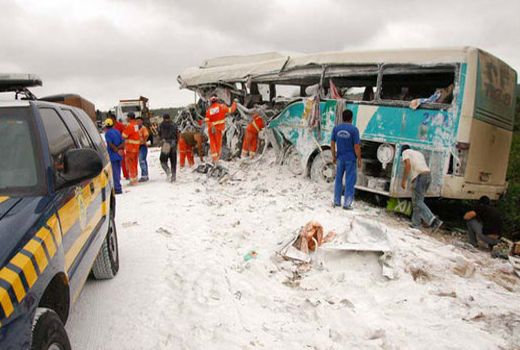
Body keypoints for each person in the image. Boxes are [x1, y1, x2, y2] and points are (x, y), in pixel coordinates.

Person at [400, 145, 443, 230]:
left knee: (418, 202)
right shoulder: (418, 153)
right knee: (417, 202)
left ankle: (433, 220)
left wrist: (404, 181)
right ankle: (416, 224)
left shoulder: (405, 152)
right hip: (427, 176)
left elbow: (408, 165)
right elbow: (418, 166)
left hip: (420, 177)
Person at [331, 109, 361, 209]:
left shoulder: (336, 128)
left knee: (338, 179)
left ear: (342, 117)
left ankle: (336, 201)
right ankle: (347, 204)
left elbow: (332, 143)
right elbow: (356, 146)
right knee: (349, 181)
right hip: (350, 159)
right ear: (351, 118)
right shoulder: (354, 130)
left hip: (340, 158)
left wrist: (333, 156)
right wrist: (359, 158)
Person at [205, 95, 236, 163]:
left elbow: (207, 121)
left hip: (211, 129)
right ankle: (217, 160)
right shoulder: (222, 107)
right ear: (217, 100)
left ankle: (214, 159)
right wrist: (235, 102)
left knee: (212, 144)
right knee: (218, 144)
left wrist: (211, 125)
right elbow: (231, 110)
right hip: (218, 129)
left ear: (211, 102)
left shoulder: (209, 110)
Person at [104, 118, 124, 194]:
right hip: (119, 155)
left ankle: (117, 188)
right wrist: (119, 149)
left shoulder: (107, 133)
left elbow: (110, 144)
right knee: (118, 172)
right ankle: (118, 186)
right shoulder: (117, 132)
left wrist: (116, 150)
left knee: (114, 172)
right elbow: (123, 142)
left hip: (113, 155)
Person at [121, 112, 140, 185]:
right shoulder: (136, 125)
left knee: (130, 164)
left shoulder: (130, 126)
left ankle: (133, 180)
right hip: (136, 148)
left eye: (127, 117)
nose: (126, 118)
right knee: (134, 163)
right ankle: (135, 178)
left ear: (129, 117)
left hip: (130, 148)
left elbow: (124, 135)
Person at [108, 112, 129, 180]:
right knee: (115, 164)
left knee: (123, 162)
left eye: (110, 119)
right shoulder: (109, 127)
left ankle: (126, 175)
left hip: (120, 147)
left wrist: (121, 146)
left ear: (113, 119)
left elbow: (124, 136)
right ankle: (117, 176)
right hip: (113, 149)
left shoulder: (120, 125)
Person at [158, 113, 178, 182]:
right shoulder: (174, 124)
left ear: (163, 118)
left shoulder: (161, 125)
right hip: (173, 144)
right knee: (173, 161)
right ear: (169, 117)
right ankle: (173, 176)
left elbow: (159, 134)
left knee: (163, 160)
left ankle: (168, 171)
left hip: (166, 144)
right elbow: (177, 134)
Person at [136, 116, 150, 182]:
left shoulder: (143, 128)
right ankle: (145, 175)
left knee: (142, 161)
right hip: (138, 146)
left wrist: (144, 141)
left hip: (142, 146)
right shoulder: (136, 128)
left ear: (142, 121)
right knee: (143, 161)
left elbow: (146, 135)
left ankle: (144, 176)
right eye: (137, 121)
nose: (138, 122)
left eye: (139, 121)